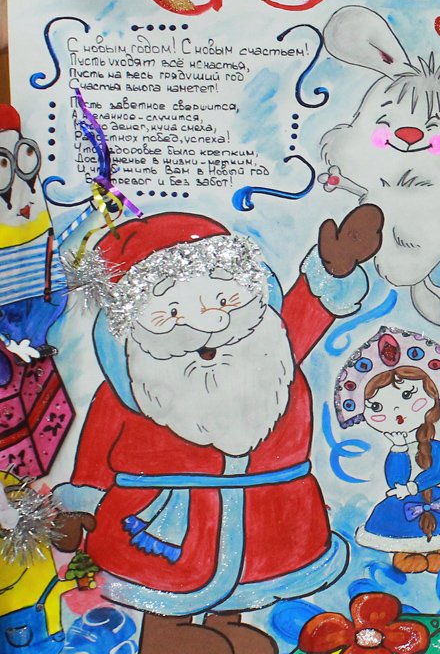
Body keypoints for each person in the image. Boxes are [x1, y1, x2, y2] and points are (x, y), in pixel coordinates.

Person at [53, 207, 383, 654]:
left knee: (249, 577)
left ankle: (225, 625)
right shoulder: (131, 385)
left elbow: (308, 311)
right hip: (163, 515)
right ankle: (167, 635)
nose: (208, 323)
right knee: (168, 586)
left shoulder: (267, 346)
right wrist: (80, 503)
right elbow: (95, 448)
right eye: (173, 313)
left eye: (224, 301)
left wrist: (331, 272)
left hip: (268, 506)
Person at [355, 364, 440, 574]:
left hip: (433, 499)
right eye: (377, 406)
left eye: (407, 395)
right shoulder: (397, 449)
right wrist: (399, 449)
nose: (396, 411)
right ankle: (407, 555)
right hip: (403, 503)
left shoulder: (435, 447)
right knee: (401, 529)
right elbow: (395, 480)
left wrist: (414, 487)